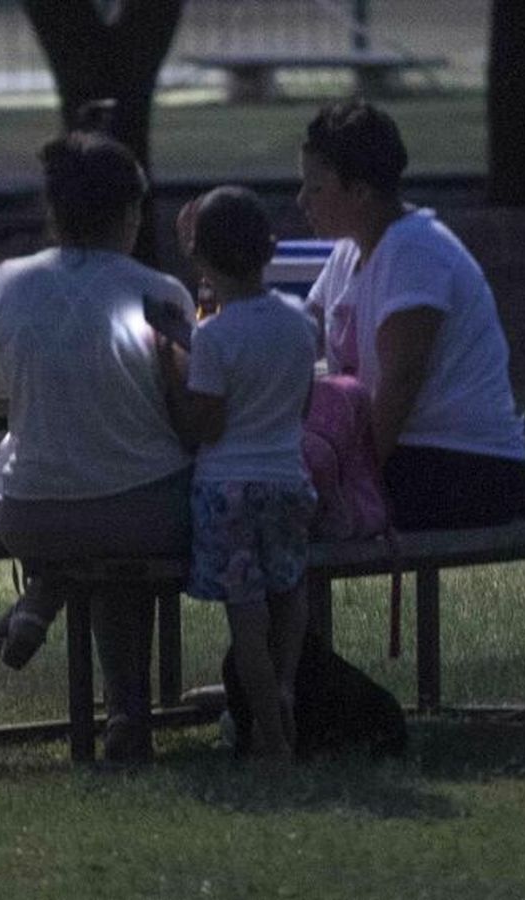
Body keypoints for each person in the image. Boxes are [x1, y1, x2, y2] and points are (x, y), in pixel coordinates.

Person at [0, 131, 195, 762]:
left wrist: (10, 368)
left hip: (34, 518)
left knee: (89, 541)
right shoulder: (162, 293)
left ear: (53, 214)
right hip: (143, 513)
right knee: (128, 525)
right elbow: (187, 410)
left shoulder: (4, 285)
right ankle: (127, 715)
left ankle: (46, 591)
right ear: (133, 215)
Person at [298, 100, 525, 529]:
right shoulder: (348, 252)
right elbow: (299, 342)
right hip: (403, 456)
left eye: (315, 188)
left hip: (463, 466)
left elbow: (399, 385)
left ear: (359, 191)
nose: (302, 201)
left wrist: (351, 480)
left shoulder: (415, 252)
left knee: (284, 506)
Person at [163, 186, 319, 761]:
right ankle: (284, 685)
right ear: (269, 249)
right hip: (287, 479)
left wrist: (167, 368)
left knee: (246, 618)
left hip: (226, 489)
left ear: (200, 260)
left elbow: (206, 425)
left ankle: (271, 739)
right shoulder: (301, 324)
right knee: (289, 589)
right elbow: (300, 408)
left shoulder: (213, 337)